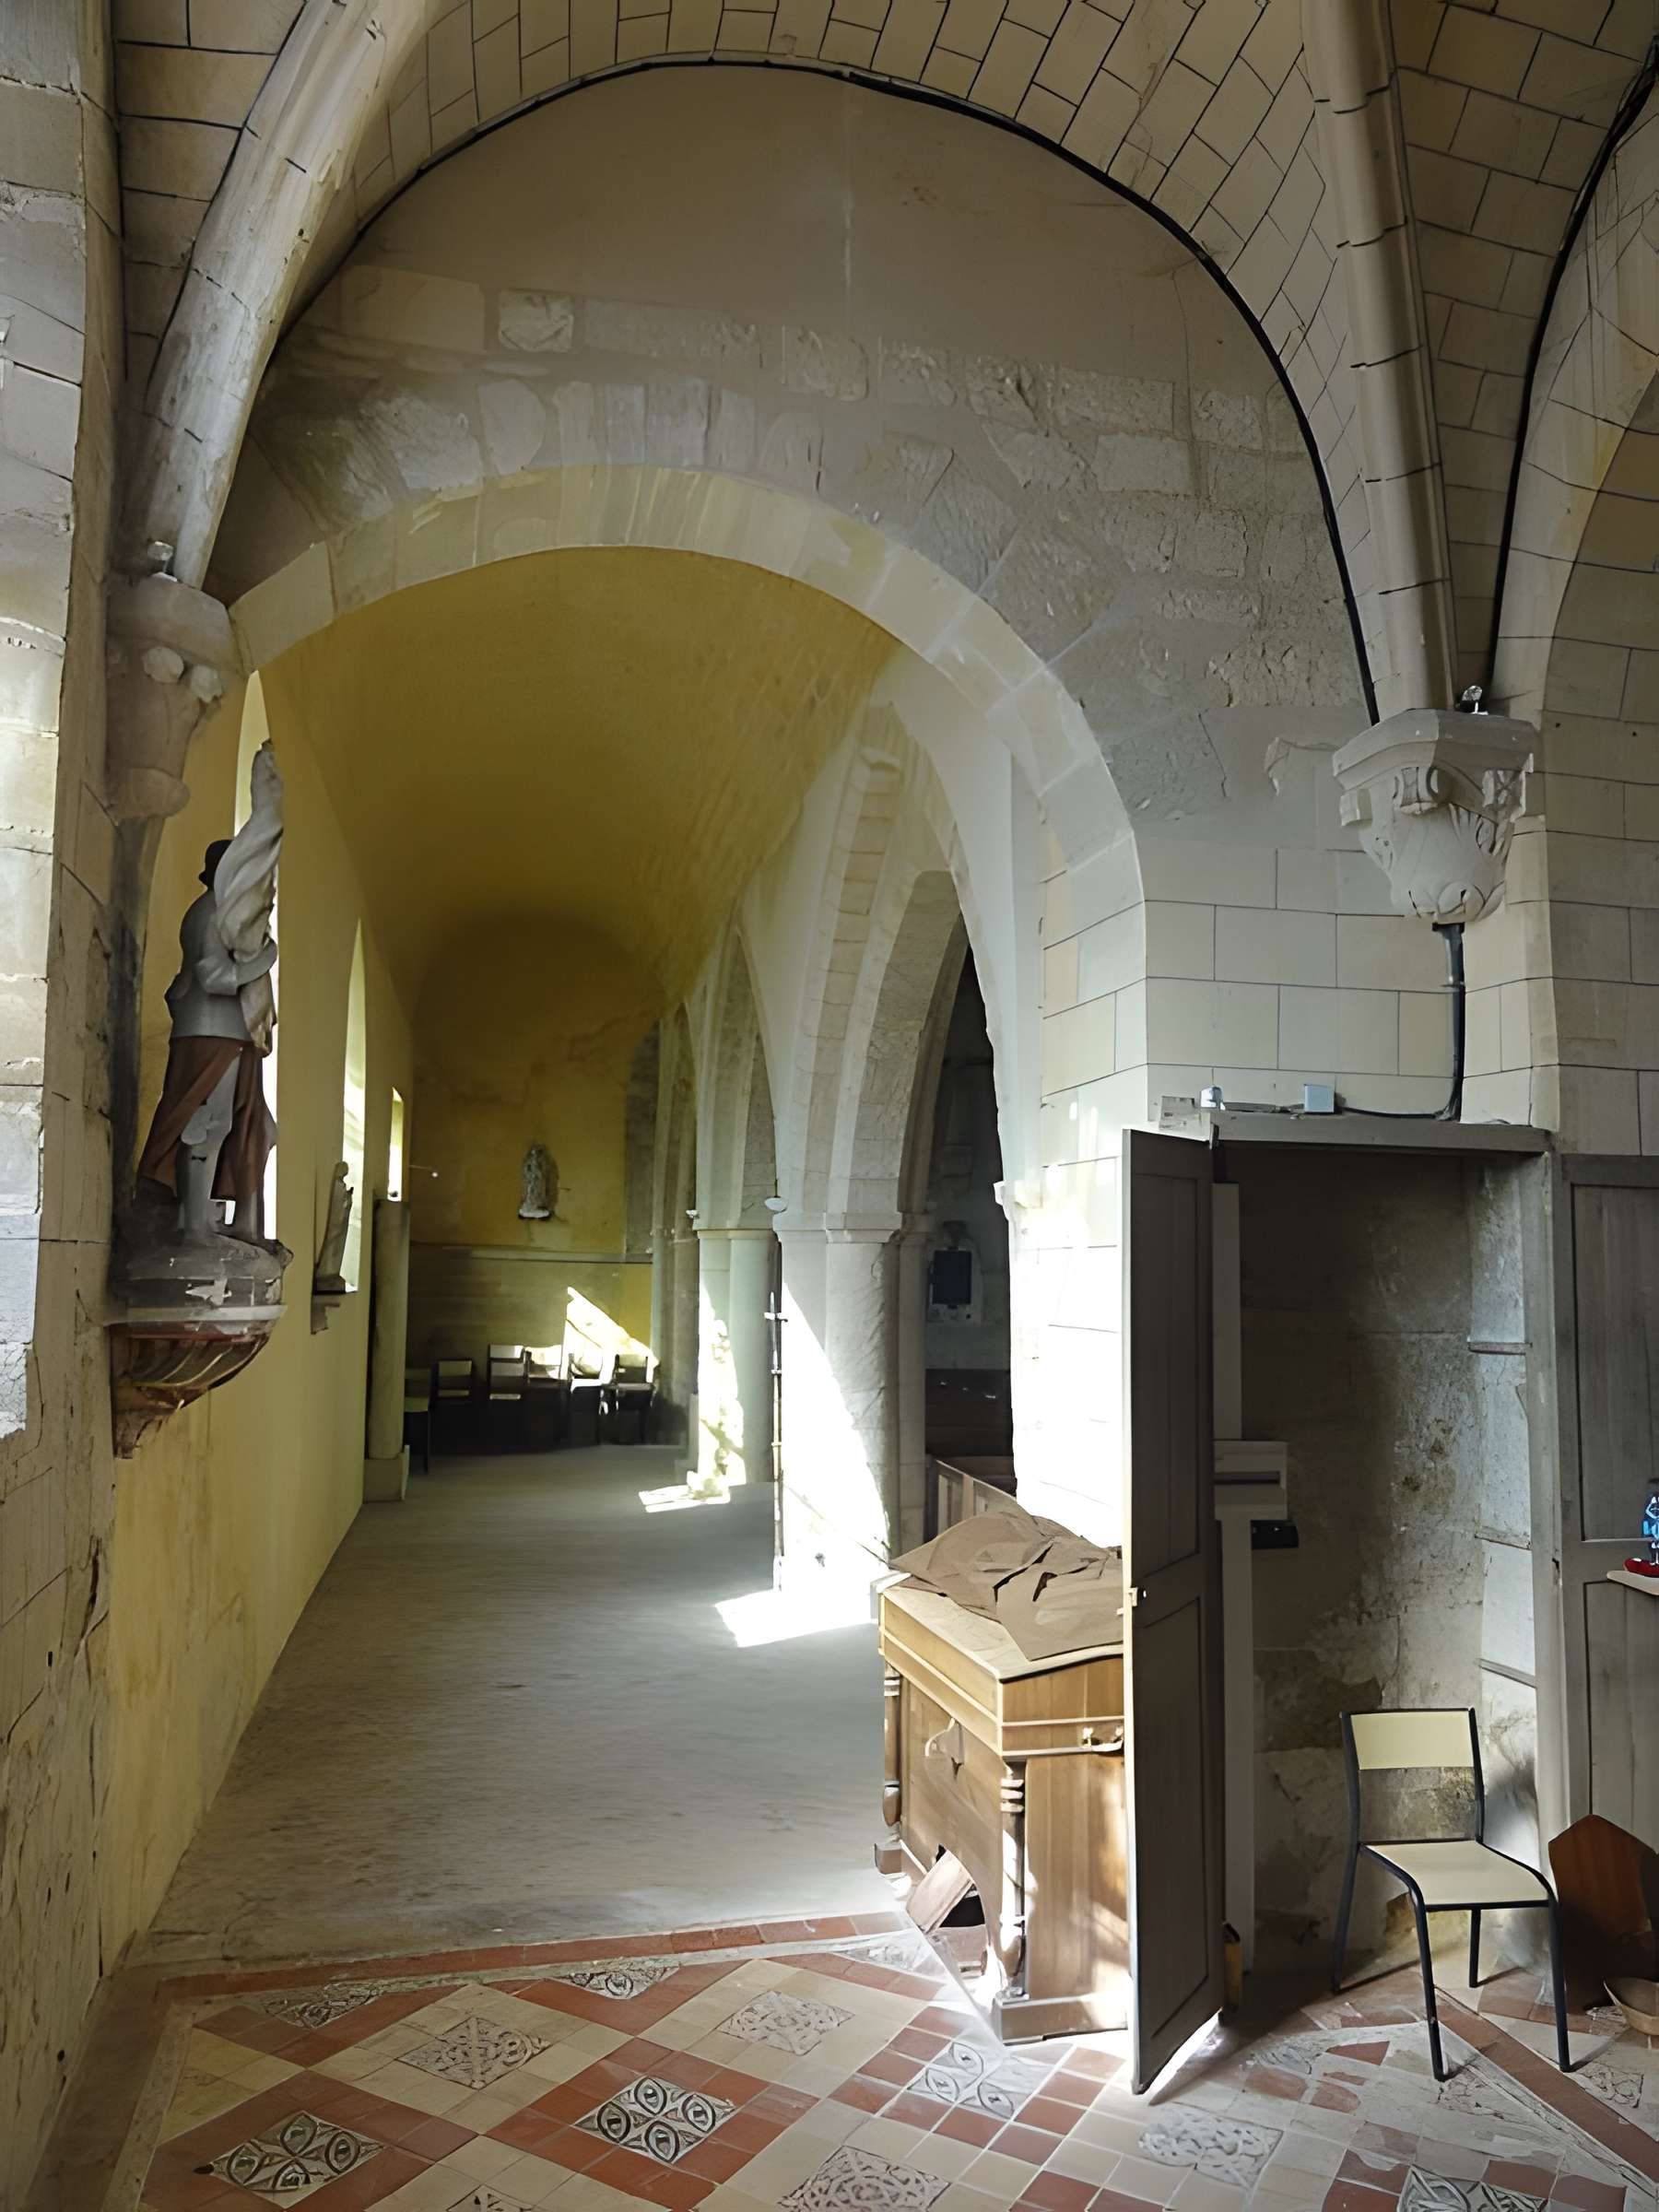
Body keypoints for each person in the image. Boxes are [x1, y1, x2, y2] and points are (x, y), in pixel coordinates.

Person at [137, 838, 278, 1241]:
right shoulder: (210, 912)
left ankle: (233, 1224)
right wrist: (266, 958)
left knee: (255, 1127)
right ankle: (193, 1224)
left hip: (236, 1033)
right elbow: (213, 977)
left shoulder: (231, 914)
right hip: (209, 1029)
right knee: (206, 1121)